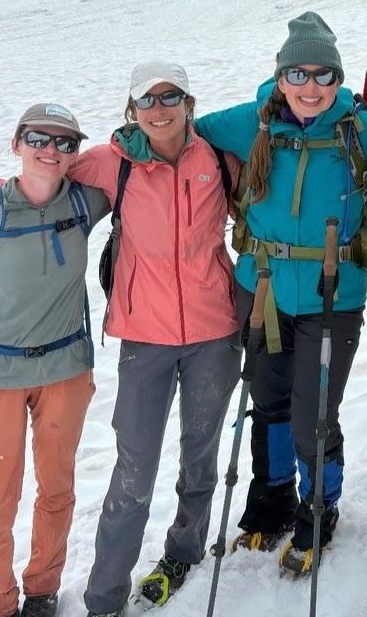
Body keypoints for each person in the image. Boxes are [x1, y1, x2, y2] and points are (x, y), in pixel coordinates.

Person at [192, 11, 367, 575]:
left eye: (324, 75)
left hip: (333, 296)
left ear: (338, 80)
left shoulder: (359, 131)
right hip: (262, 290)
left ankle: (318, 510)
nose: (311, 87)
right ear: (281, 76)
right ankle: (269, 505)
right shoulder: (251, 123)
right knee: (268, 404)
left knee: (312, 416)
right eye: (298, 74)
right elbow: (184, 135)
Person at [72, 62, 243, 616]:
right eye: (147, 100)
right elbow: (42, 177)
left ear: (189, 104)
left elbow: (267, 201)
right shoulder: (111, 163)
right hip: (145, 337)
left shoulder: (218, 159)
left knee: (200, 454)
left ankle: (184, 552)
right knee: (135, 465)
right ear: (132, 110)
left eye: (171, 97)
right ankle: (104, 596)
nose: (159, 109)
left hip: (215, 331)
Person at [0, 103, 110, 617]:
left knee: (56, 492)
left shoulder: (85, 203)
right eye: (38, 139)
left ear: (75, 154)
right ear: (16, 144)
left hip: (66, 372)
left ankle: (42, 591)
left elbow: (132, 164)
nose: (50, 150)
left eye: (64, 143)